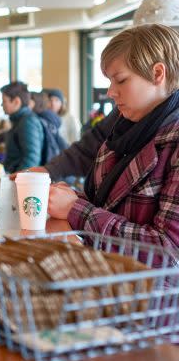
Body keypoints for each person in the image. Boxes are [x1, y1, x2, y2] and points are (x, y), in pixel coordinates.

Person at [48, 24, 179, 256]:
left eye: (120, 80)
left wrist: (73, 208)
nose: (110, 92)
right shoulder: (127, 130)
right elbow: (106, 206)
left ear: (158, 74)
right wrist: (69, 197)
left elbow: (167, 252)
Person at [0, 81, 44, 173]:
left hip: (23, 182)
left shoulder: (27, 122)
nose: (2, 105)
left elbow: (32, 158)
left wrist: (18, 179)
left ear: (16, 101)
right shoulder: (20, 120)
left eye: (4, 101)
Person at [31, 91, 69, 165]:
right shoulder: (43, 120)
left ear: (62, 103)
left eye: (56, 100)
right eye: (50, 100)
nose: (53, 103)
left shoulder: (69, 119)